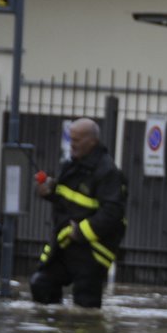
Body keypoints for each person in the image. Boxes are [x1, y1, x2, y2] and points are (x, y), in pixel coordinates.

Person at [31, 118, 128, 308]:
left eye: (76, 140)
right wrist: (48, 190)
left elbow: (112, 213)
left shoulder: (108, 172)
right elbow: (65, 198)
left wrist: (81, 232)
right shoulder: (72, 165)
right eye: (70, 139)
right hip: (66, 243)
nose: (71, 145)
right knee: (41, 284)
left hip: (93, 250)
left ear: (91, 141)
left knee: (85, 303)